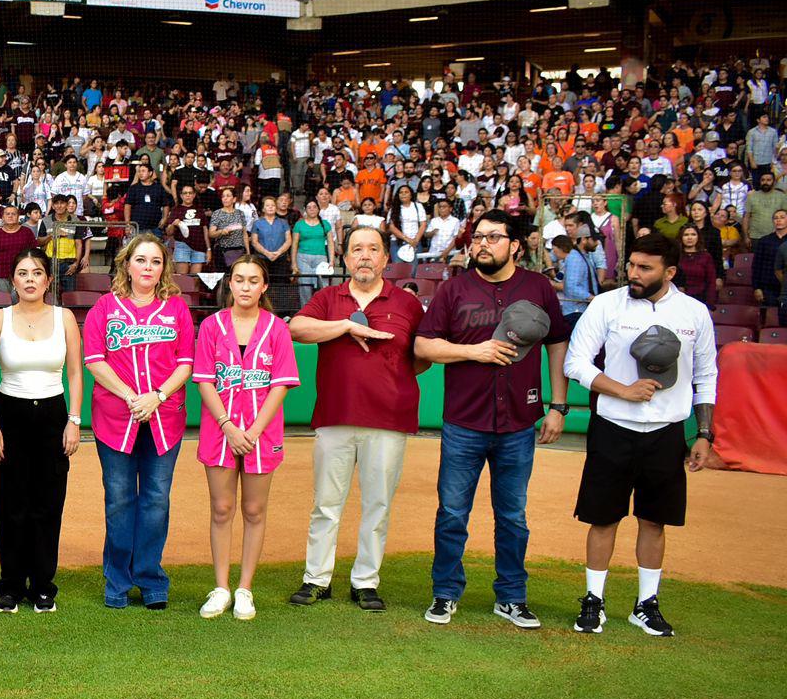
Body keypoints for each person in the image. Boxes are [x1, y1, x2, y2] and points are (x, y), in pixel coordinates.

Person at [413, 212, 571, 628]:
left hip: (519, 420)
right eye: (477, 237)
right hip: (465, 420)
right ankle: (445, 593)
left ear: (515, 245)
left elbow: (557, 342)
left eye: (493, 237)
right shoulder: (454, 288)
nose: (482, 244)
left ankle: (512, 596)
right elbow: (425, 346)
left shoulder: (537, 287)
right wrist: (474, 351)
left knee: (513, 516)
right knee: (451, 512)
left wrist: (558, 404)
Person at [565, 234, 718, 638]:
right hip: (612, 427)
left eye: (645, 268)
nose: (634, 273)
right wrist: (621, 390)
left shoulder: (695, 313)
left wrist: (704, 433)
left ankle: (645, 605)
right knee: (602, 517)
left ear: (669, 271)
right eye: (631, 265)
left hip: (667, 433)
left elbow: (705, 375)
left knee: (654, 520)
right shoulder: (606, 304)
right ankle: (593, 601)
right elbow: (575, 362)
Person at [287, 225, 425, 611]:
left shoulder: (407, 303)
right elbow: (297, 328)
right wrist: (346, 326)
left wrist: (390, 378)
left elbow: (423, 355)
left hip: (390, 418)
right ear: (345, 258)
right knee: (326, 504)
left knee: (378, 505)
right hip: (336, 415)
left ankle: (365, 581)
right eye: (356, 249)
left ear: (385, 258)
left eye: (372, 249)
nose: (364, 256)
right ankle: (317, 579)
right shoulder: (329, 297)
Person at [83, 233, 195, 610]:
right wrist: (132, 397)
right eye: (141, 260)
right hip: (117, 416)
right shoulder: (105, 307)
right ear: (126, 264)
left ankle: (150, 578)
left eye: (156, 261)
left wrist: (156, 396)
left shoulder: (176, 308)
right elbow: (95, 361)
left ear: (164, 268)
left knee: (155, 500)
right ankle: (116, 579)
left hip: (164, 418)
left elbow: (186, 363)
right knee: (118, 501)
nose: (148, 268)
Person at [192, 255, 299, 621]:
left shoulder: (276, 330)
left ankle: (244, 589)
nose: (246, 287)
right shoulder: (211, 326)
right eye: (239, 280)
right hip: (220, 431)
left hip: (260, 434)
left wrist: (251, 431)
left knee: (254, 510)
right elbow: (205, 380)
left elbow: (281, 385)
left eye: (254, 281)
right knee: (221, 509)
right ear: (230, 284)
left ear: (264, 286)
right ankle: (221, 587)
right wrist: (227, 425)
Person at [0, 248, 83, 614]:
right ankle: (9, 585)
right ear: (13, 281)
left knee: (47, 505)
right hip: (10, 414)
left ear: (48, 280)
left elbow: (74, 373)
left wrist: (74, 420)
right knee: (9, 505)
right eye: (22, 273)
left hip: (53, 416)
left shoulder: (65, 317)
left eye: (37, 273)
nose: (30, 279)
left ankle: (42, 586)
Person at [290, 198, 336, 307]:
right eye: (309, 207)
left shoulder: (325, 224)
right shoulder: (299, 225)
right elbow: (294, 244)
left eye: (314, 207)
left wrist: (332, 260)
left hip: (321, 258)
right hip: (302, 258)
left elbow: (330, 243)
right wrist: (294, 263)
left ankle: (323, 310)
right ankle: (306, 312)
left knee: (323, 286)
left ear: (319, 209)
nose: (312, 209)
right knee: (304, 286)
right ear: (305, 210)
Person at [674, 224, 718, 307]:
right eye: (686, 235)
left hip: (700, 300)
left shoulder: (706, 257)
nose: (689, 238)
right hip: (678, 300)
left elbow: (711, 282)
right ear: (681, 237)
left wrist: (710, 305)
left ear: (698, 237)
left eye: (693, 234)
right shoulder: (675, 256)